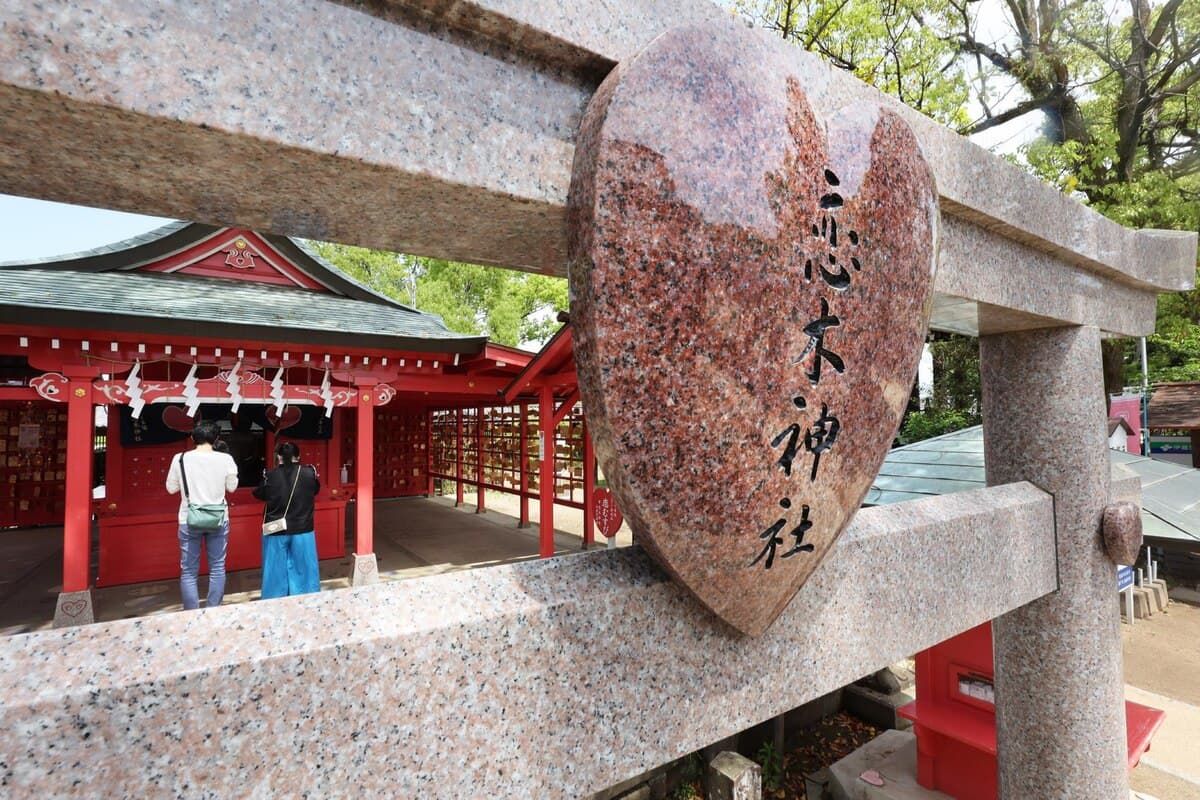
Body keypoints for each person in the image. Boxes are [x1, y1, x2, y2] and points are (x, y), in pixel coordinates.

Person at [165, 421, 238, 610]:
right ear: (216, 439)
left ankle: (191, 613)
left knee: (189, 570)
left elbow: (171, 488)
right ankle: (214, 609)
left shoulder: (179, 459)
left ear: (192, 438)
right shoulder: (226, 459)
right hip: (218, 518)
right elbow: (232, 487)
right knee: (217, 567)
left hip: (189, 518)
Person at [254, 441, 321, 599]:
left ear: (279, 457)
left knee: (274, 568)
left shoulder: (270, 475)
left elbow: (259, 494)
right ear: (298, 456)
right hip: (303, 527)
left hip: (276, 527)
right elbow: (315, 490)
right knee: (305, 567)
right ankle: (306, 597)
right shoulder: (309, 473)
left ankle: (274, 599)